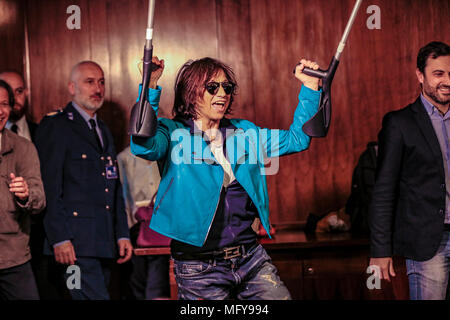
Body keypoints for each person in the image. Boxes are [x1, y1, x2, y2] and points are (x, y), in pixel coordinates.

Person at [131, 56, 322, 300]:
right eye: (212, 87)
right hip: (198, 267)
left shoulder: (245, 132)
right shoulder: (171, 132)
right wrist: (149, 85)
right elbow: (143, 146)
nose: (222, 93)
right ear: (191, 92)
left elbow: (298, 139)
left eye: (227, 87)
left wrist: (309, 87)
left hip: (251, 259)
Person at [35, 61, 133, 300]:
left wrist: (121, 234)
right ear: (71, 87)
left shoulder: (102, 129)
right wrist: (59, 238)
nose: (97, 88)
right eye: (89, 82)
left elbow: (114, 187)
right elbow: (50, 187)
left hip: (103, 243)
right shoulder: (56, 126)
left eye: (101, 82)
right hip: (74, 246)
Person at [369, 41, 450, 300]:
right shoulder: (399, 123)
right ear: (420, 75)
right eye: (438, 74)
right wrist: (380, 250)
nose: (447, 80)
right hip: (427, 243)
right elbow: (383, 190)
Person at [0, 79, 46, 300]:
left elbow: (39, 198)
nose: (1, 111)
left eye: (5, 104)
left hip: (13, 257)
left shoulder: (23, 147)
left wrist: (26, 194)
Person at [117, 145, 171, 300]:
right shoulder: (125, 157)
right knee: (137, 277)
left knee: (159, 273)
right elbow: (123, 193)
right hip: (137, 224)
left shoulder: (165, 153)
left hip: (163, 225)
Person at [0, 71, 37, 141]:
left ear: (26, 93)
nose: (14, 98)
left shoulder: (41, 131)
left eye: (19, 91)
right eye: (8, 92)